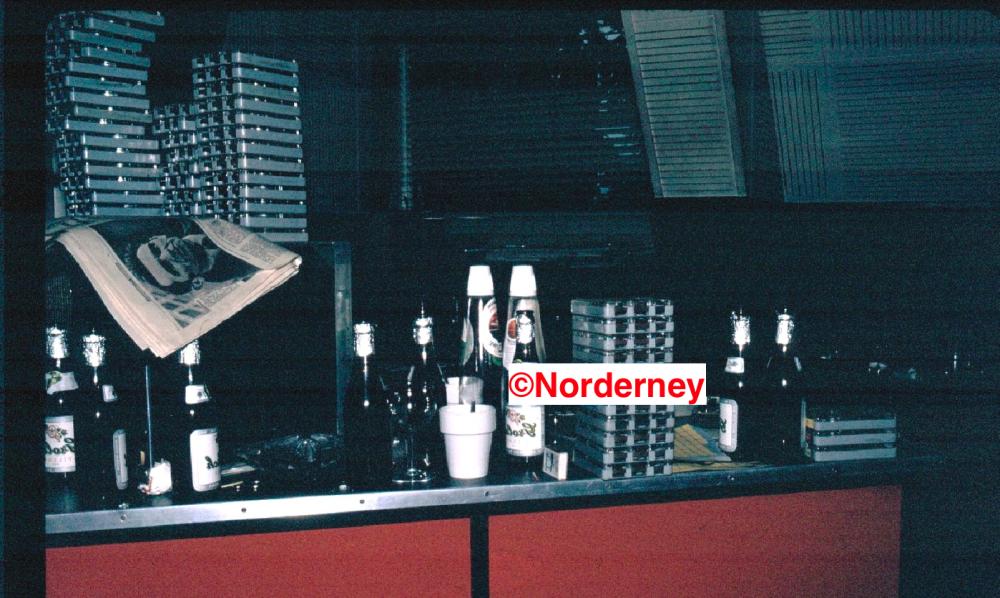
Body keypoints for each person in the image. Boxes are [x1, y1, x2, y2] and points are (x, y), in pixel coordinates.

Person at [135, 234, 221, 294]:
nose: (165, 254)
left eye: (156, 250)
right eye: (169, 266)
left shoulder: (182, 227)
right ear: (197, 280)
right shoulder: (221, 270)